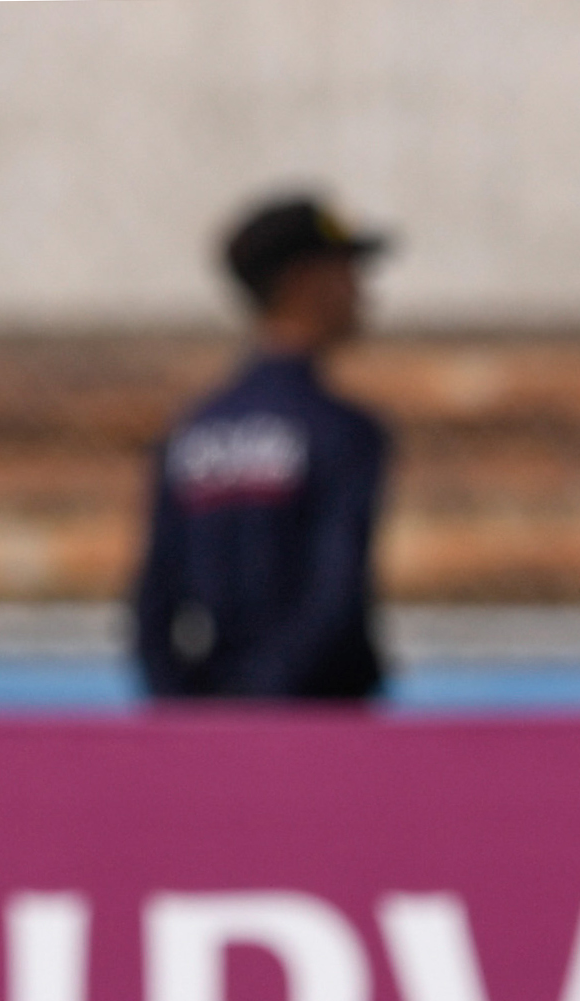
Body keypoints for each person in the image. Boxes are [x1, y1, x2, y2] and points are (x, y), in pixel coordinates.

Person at [132, 194, 391, 700]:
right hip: (318, 718)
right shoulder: (342, 431)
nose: (361, 291)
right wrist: (270, 702)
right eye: (347, 271)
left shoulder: (195, 428)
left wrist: (185, 708)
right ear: (304, 281)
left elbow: (155, 601)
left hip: (208, 713)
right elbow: (334, 593)